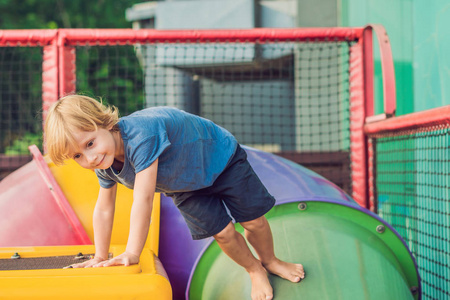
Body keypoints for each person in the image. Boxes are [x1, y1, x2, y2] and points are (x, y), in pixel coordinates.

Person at [45, 94, 305, 300]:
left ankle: (270, 260)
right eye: (77, 156)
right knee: (223, 233)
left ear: (106, 124)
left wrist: (132, 252)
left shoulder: (140, 136)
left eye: (90, 143)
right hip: (184, 185)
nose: (89, 158)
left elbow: (144, 199)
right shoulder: (105, 162)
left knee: (253, 221)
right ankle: (254, 269)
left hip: (219, 158)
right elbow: (104, 208)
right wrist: (100, 256)